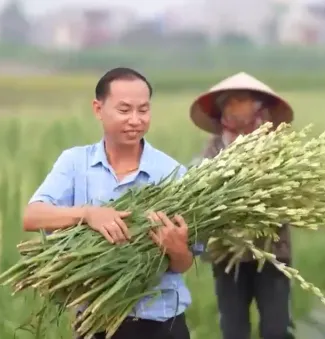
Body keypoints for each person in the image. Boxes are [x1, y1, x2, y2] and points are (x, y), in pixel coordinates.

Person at [22, 67, 201, 339]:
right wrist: (88, 214)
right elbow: (32, 217)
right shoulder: (75, 163)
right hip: (95, 322)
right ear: (98, 108)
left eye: (143, 110)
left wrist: (176, 250)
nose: (135, 120)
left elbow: (185, 263)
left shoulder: (173, 174)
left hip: (161, 323)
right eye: (124, 109)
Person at [189, 72, 295, 339]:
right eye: (230, 101)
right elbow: (202, 193)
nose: (235, 107)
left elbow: (290, 194)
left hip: (271, 252)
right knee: (234, 328)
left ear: (257, 105)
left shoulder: (275, 145)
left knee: (276, 329)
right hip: (227, 254)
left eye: (243, 100)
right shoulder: (214, 148)